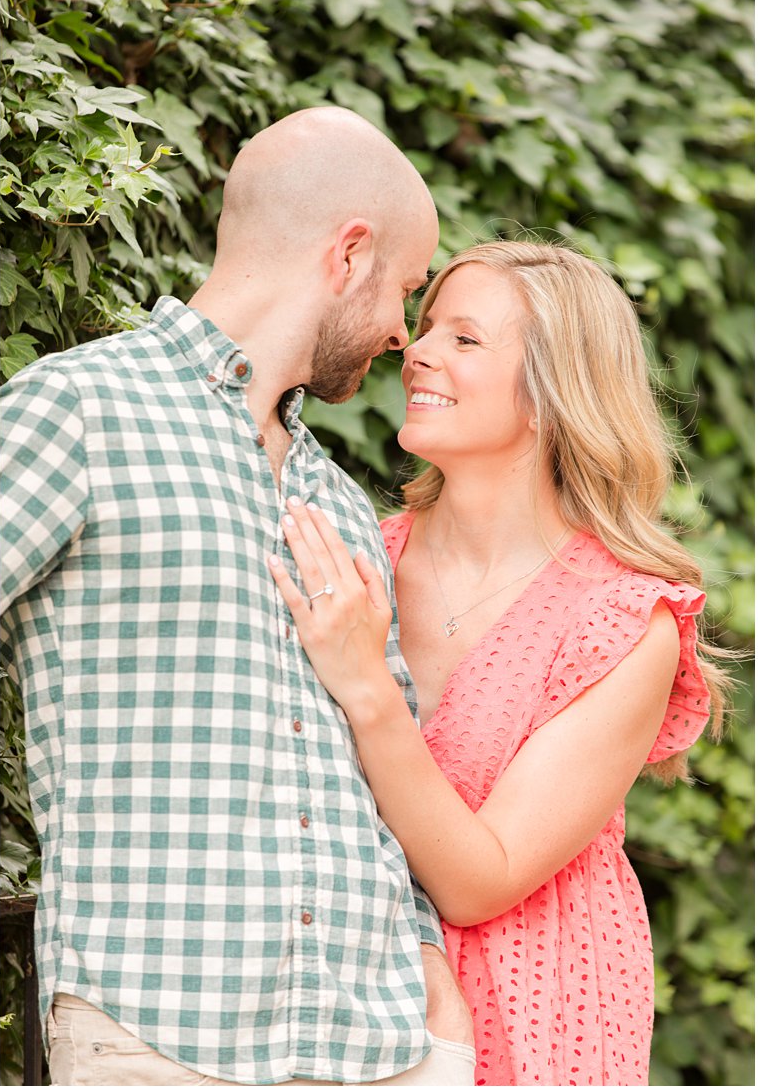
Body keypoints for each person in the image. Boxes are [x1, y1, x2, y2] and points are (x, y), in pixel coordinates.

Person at [0, 106, 477, 1085]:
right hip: (156, 1034)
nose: (399, 329)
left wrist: (430, 985)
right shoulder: (80, 408)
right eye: (405, 288)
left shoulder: (340, 501)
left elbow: (370, 764)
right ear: (348, 253)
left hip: (378, 1047)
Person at [268, 239, 727, 1085]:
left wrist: (368, 686)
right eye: (428, 323)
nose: (419, 349)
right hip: (345, 999)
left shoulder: (624, 619)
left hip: (537, 1008)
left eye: (466, 339)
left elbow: (484, 879)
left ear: (556, 392)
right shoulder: (359, 558)